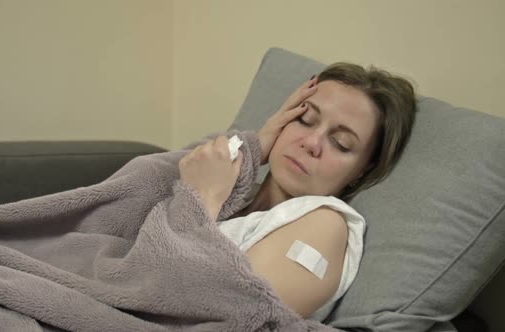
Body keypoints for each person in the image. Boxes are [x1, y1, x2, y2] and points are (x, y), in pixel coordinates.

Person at [179, 63, 417, 319]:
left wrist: (200, 201)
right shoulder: (228, 186)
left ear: (362, 171)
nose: (312, 143)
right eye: (305, 119)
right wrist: (253, 147)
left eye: (341, 143)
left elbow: (234, 314)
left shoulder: (325, 224)